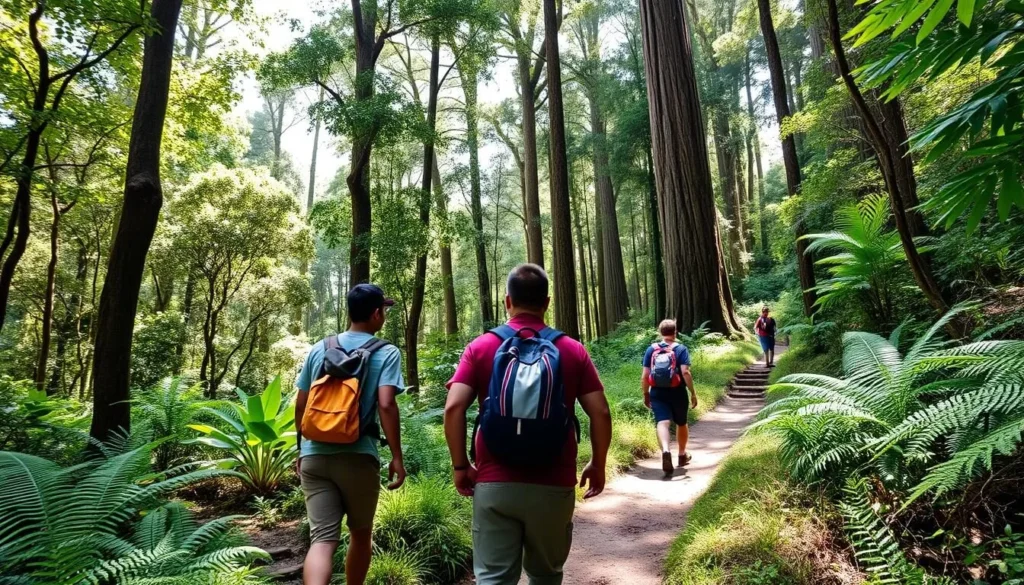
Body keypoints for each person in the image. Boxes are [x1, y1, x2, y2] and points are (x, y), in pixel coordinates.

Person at [443, 263, 613, 585]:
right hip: (553, 483)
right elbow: (600, 413)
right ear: (547, 302)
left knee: (493, 579)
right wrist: (597, 463)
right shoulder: (572, 350)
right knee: (545, 576)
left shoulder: (480, 347)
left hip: (494, 483)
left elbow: (453, 408)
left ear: (507, 300)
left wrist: (460, 465)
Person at [294, 284, 407, 585]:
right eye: (383, 309)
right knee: (360, 534)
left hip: (314, 456)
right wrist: (397, 456)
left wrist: (300, 449)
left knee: (322, 540)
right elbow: (386, 403)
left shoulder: (320, 348)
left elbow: (302, 404)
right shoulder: (387, 352)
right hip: (358, 456)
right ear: (376, 314)